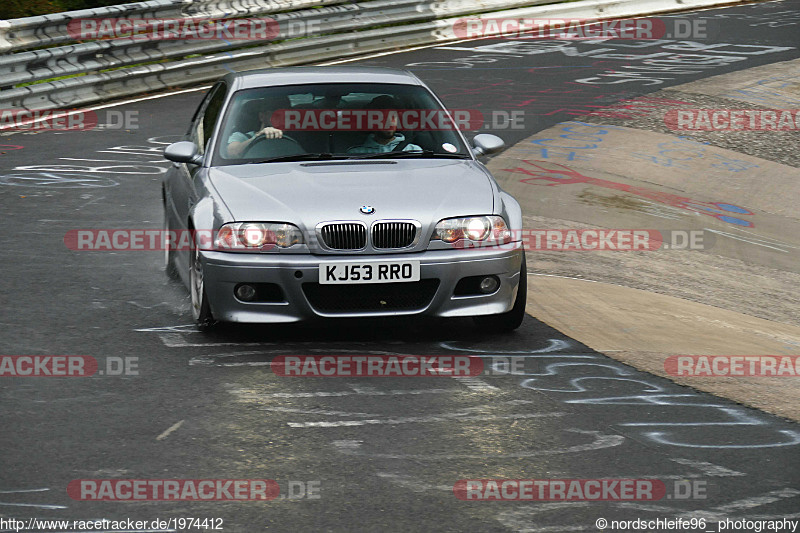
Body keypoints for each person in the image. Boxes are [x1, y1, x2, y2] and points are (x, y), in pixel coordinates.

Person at [346, 95, 422, 154]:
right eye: (383, 117)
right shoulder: (356, 153)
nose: (389, 122)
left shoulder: (413, 151)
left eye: (393, 117)